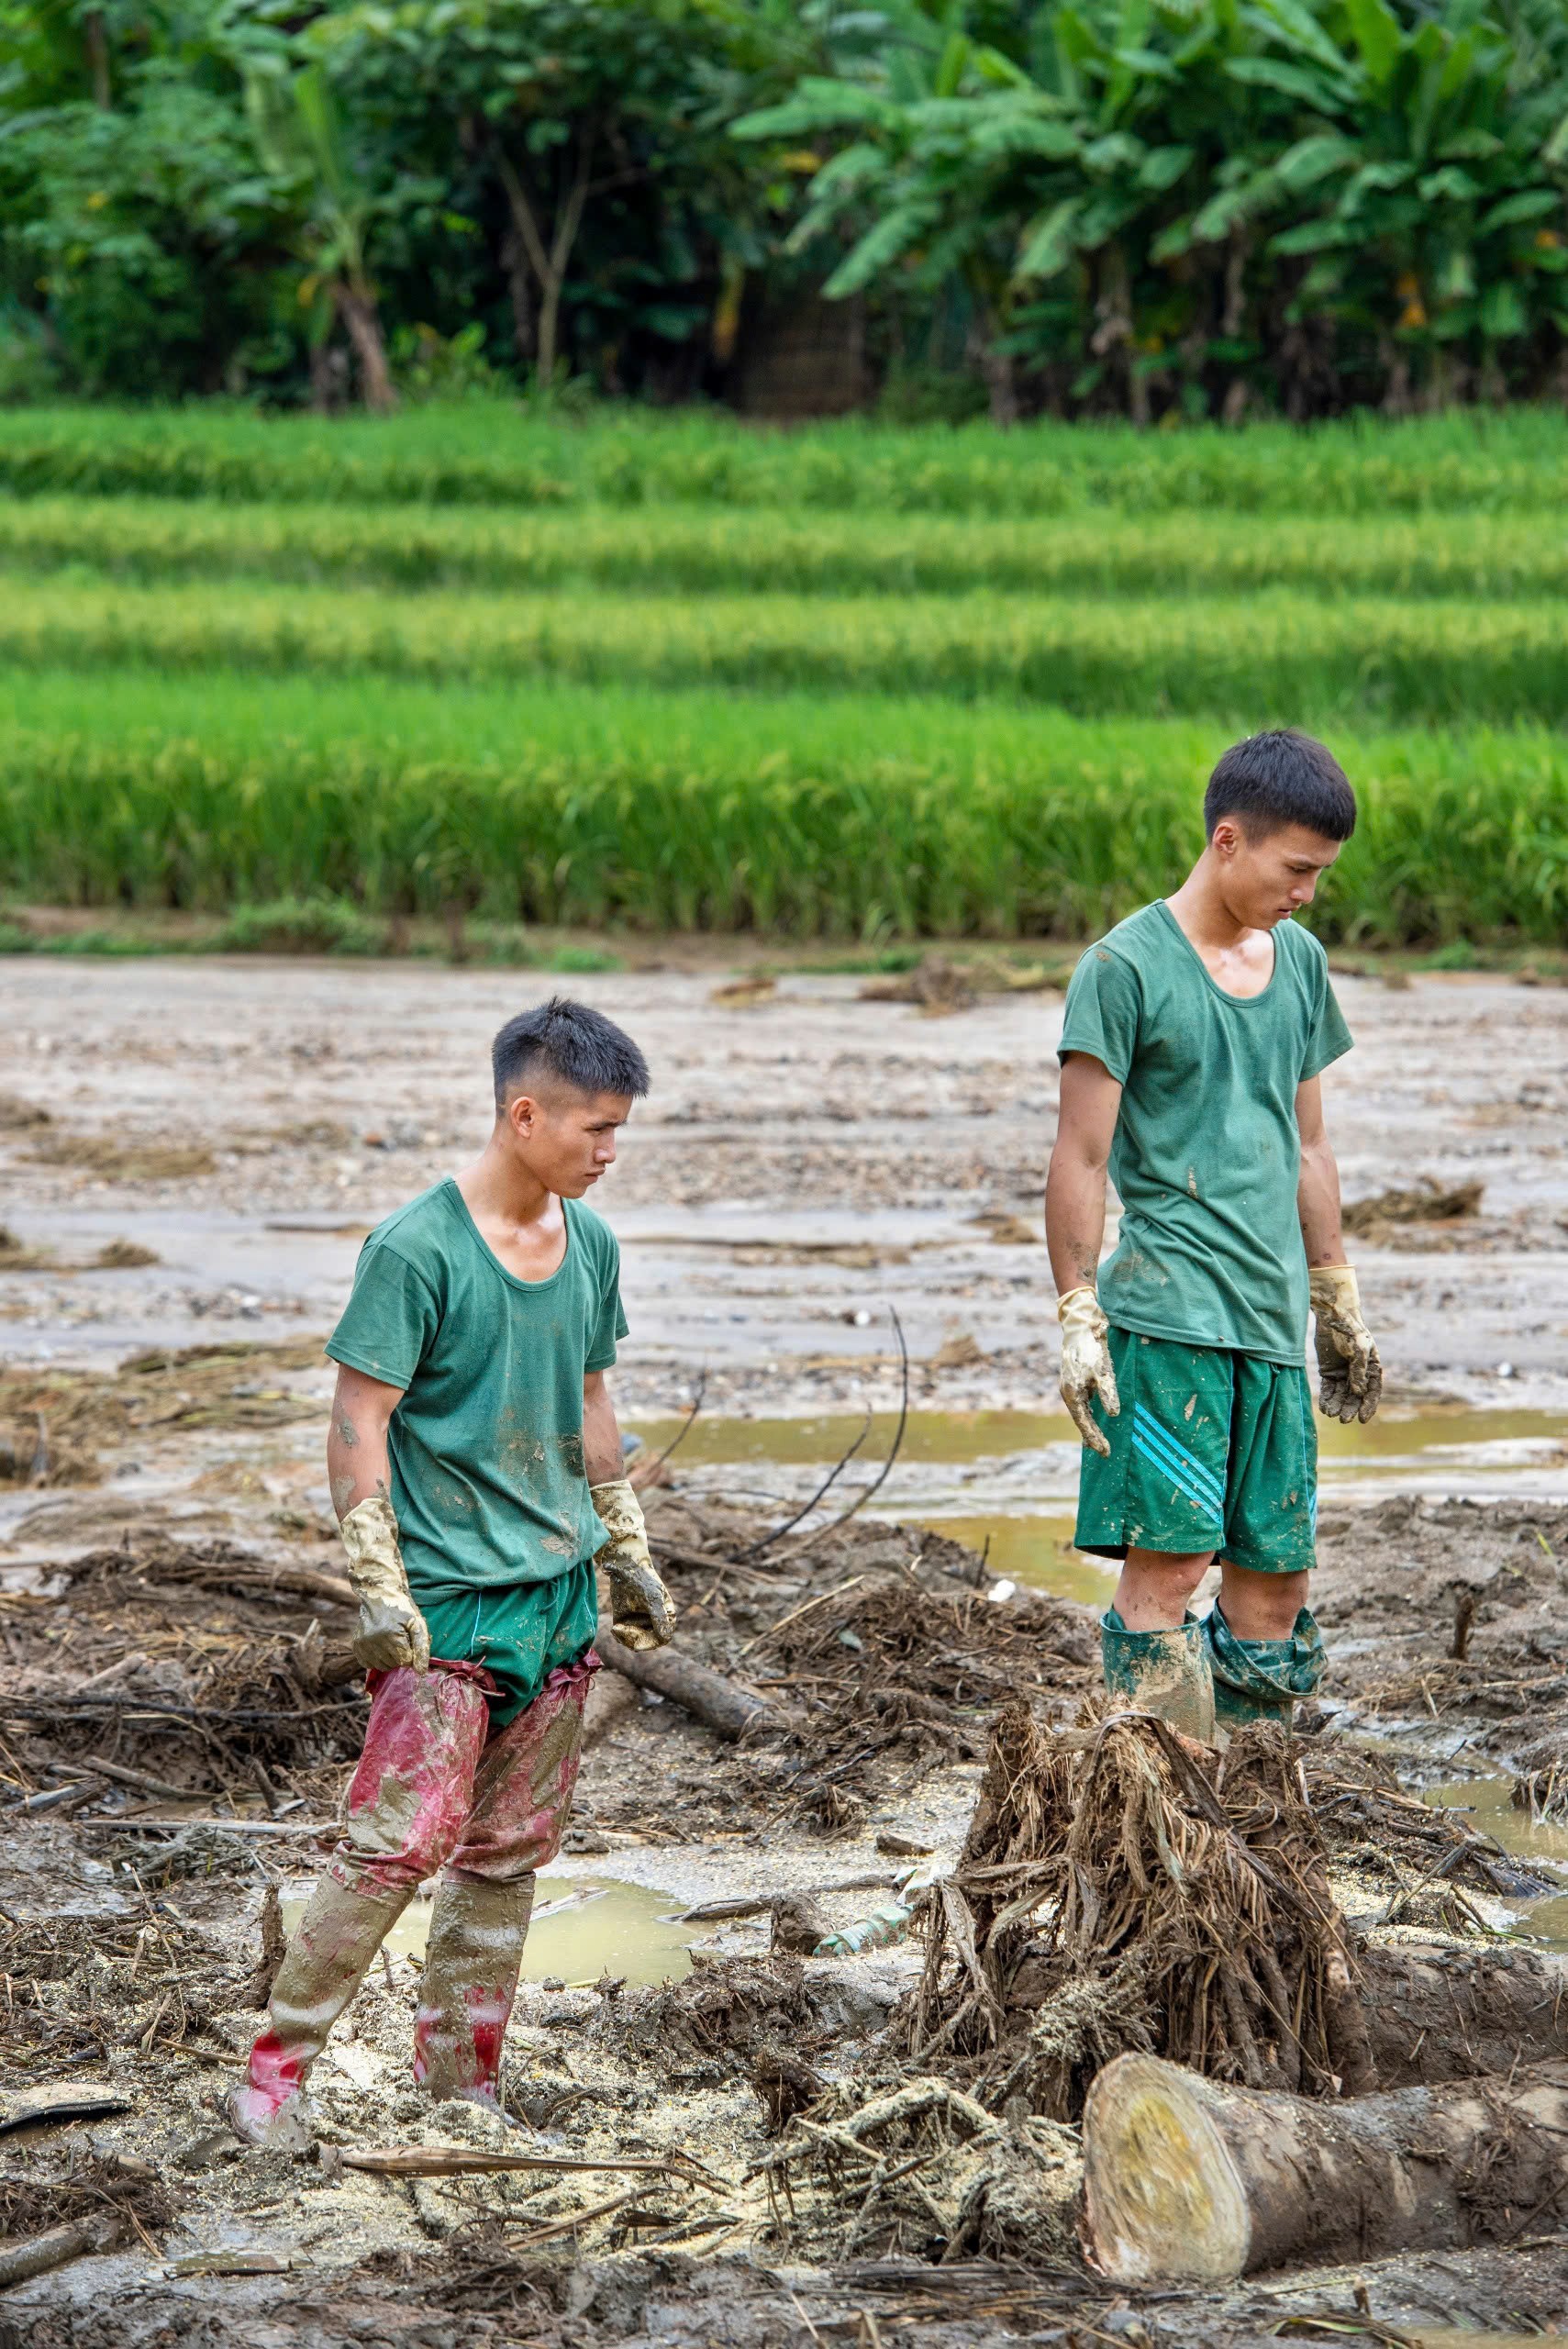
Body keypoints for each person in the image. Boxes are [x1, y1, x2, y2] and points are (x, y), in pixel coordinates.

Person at [230, 996, 673, 2144]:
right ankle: (278, 2067)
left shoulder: (592, 1245)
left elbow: (589, 1401)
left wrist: (623, 1541)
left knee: (508, 1853)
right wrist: (376, 1575)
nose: (610, 1151)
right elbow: (357, 1416)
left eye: (620, 1129)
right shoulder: (415, 1248)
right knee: (397, 1841)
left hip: (557, 1605)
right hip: (448, 1608)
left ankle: (460, 2082)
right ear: (523, 1114)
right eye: (594, 1129)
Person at [1044, 730, 1381, 1742]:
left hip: (1268, 1324)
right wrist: (1075, 1311)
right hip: (1167, 1319)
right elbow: (1078, 1157)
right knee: (1171, 1566)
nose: (1307, 893)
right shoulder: (1123, 967)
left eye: (1320, 874)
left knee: (1274, 1583)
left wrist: (1334, 1296)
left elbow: (1308, 1145)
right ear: (1227, 841)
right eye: (1295, 870)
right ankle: (1157, 1814)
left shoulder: (1300, 965)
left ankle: (1250, 1818)